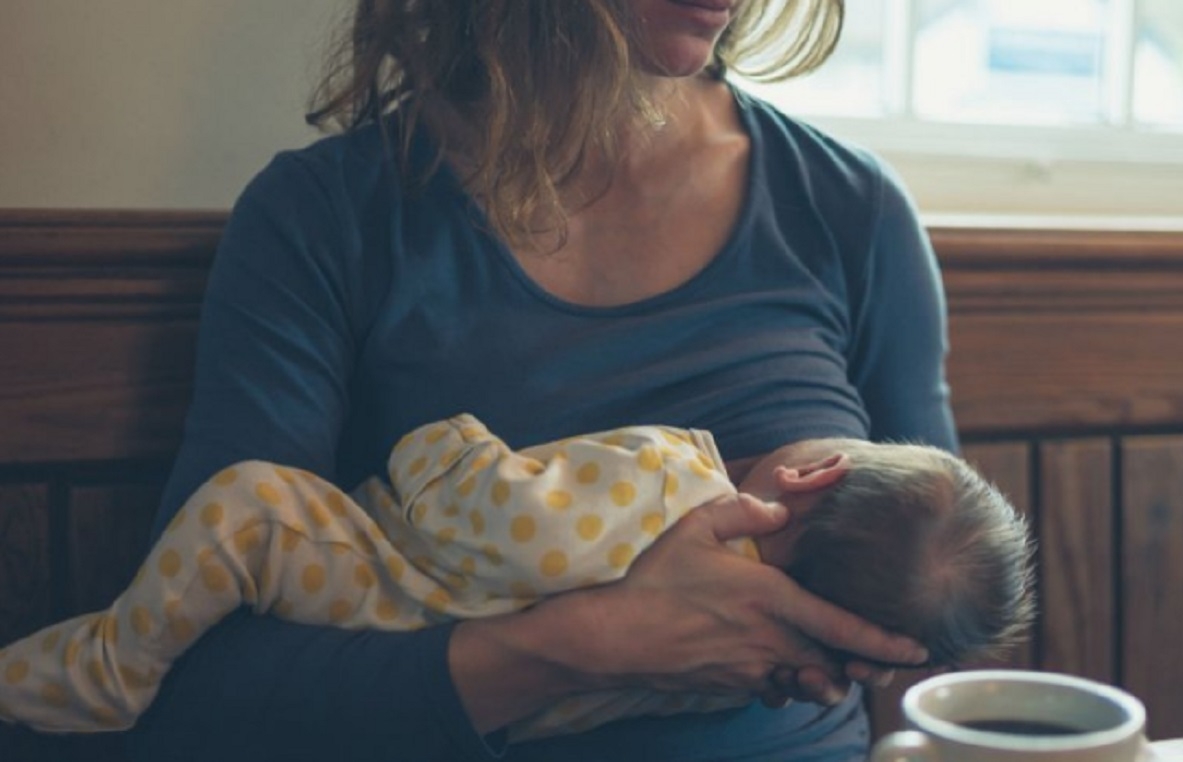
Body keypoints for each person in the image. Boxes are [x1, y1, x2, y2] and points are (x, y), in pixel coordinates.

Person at [116, 1, 962, 759]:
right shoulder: (325, 217)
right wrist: (591, 644)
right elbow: (200, 692)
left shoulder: (851, 209)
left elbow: (934, 596)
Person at [0, 415, 1033, 739]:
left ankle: (108, 665)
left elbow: (489, 515)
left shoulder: (671, 477)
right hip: (415, 687)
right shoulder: (741, 667)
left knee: (249, 507)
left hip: (359, 576)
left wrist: (442, 445)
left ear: (811, 474)